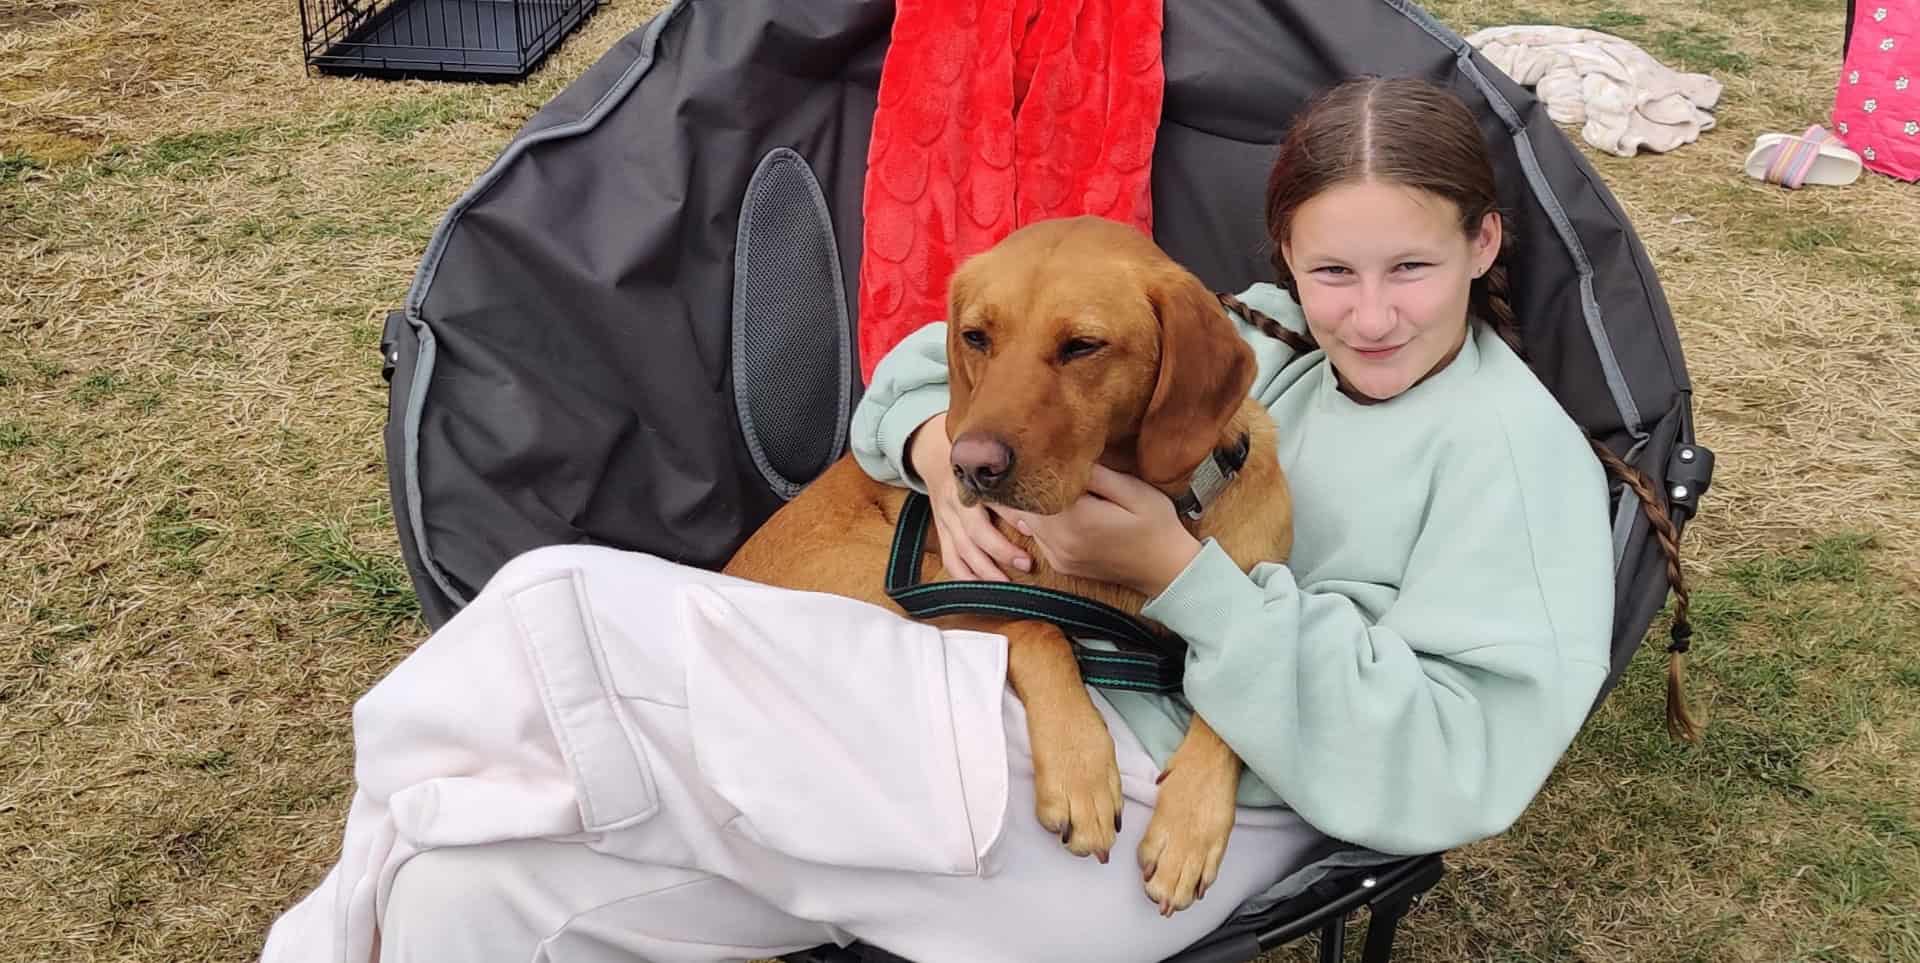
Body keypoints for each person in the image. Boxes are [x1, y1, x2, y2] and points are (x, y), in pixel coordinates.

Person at [259, 75, 1689, 963]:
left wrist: (1182, 586)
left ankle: (395, 785)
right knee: (470, 894)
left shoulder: (1516, 464)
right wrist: (939, 448)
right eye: (1334, 270)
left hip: (1130, 834)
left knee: (563, 611)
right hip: (974, 738)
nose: (1368, 313)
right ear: (1286, 266)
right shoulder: (1267, 344)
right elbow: (951, 378)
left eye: (1412, 271)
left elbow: (1459, 769)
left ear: (1484, 246)